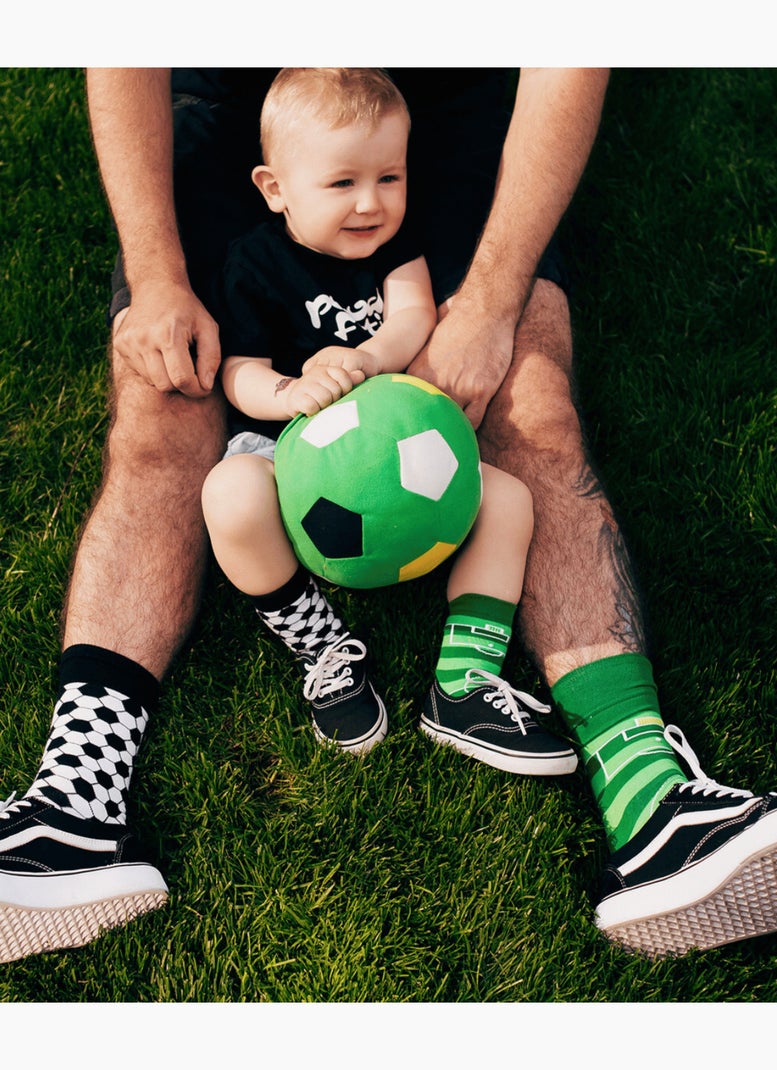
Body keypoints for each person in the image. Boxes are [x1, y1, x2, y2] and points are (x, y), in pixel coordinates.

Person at [1, 67, 777, 965]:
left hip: (440, 105)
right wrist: (156, 278)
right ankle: (74, 805)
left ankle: (651, 803)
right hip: (235, 106)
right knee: (162, 410)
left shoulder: (397, 203)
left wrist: (491, 304)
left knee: (529, 409)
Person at [201, 68, 578, 772]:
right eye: (342, 184)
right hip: (292, 445)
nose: (370, 204)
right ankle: (320, 646)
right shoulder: (253, 264)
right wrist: (288, 392)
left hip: (404, 440)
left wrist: (369, 360)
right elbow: (237, 369)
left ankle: (464, 678)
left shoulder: (396, 248)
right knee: (228, 496)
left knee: (509, 499)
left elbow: (412, 317)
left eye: (389, 178)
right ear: (275, 188)